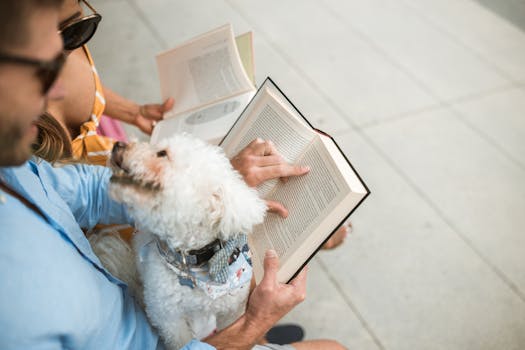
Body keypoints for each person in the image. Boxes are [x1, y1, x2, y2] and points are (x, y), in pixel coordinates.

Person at [0, 1, 345, 349]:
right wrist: (254, 323)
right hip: (161, 337)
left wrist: (206, 182)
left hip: (139, 293)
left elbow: (88, 192)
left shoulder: (13, 169)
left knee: (306, 240)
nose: (55, 93)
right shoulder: (19, 317)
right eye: (34, 70)